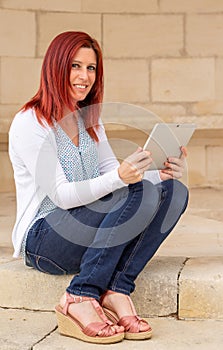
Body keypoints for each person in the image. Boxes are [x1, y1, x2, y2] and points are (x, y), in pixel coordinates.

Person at [9, 31, 188, 344]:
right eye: (75, 66)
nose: (84, 76)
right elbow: (62, 195)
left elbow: (111, 174)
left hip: (87, 229)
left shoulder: (90, 122)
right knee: (128, 189)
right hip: (44, 239)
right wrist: (122, 178)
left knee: (175, 193)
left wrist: (159, 175)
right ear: (56, 67)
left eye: (91, 68)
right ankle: (79, 296)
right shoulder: (31, 122)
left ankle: (117, 288)